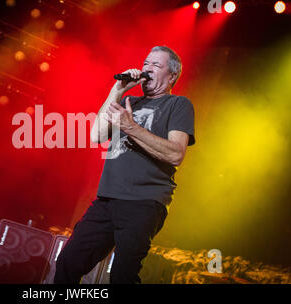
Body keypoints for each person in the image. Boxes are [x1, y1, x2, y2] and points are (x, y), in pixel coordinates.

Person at [54, 46, 195, 284]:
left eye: (156, 66)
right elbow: (97, 134)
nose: (147, 69)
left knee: (122, 276)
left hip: (144, 202)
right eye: (146, 63)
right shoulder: (129, 101)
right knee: (68, 262)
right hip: (107, 200)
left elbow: (175, 155)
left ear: (171, 76)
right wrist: (116, 91)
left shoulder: (179, 105)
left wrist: (130, 126)